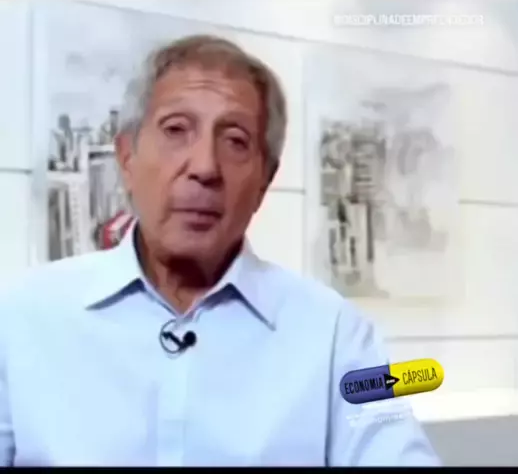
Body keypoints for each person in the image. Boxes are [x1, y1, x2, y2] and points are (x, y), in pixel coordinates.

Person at [0, 35, 440, 467]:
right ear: (127, 157)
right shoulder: (21, 319)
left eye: (235, 141)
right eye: (176, 130)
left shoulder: (339, 335)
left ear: (265, 179)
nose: (205, 167)